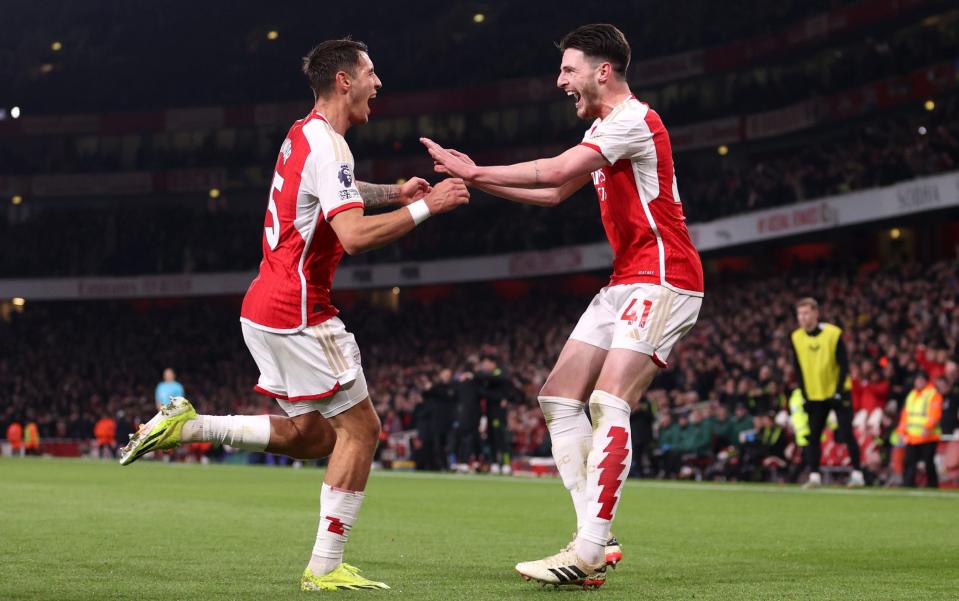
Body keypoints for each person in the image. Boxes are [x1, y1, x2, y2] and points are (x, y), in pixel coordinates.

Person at [118, 37, 469, 592]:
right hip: (298, 309)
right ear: (344, 81)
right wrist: (430, 206)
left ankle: (192, 425)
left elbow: (340, 196)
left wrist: (398, 194)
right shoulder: (331, 146)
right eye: (371, 72)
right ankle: (325, 567)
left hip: (263, 307)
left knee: (314, 437)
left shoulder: (303, 134)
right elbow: (350, 235)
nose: (379, 83)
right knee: (362, 429)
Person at [423, 23, 703, 588]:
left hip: (664, 273)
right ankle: (596, 533)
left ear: (603, 71)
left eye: (568, 69)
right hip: (626, 278)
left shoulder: (632, 120)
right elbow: (553, 193)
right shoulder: (605, 127)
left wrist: (475, 170)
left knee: (607, 399)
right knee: (557, 398)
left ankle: (591, 548)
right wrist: (475, 181)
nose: (560, 81)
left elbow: (553, 171)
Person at [790, 297, 865, 488]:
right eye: (799, 313)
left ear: (816, 313)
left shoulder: (833, 334)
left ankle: (857, 474)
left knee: (847, 432)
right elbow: (797, 367)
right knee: (813, 435)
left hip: (836, 392)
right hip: (814, 394)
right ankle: (814, 476)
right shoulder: (796, 337)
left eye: (806, 313)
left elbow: (843, 364)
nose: (802, 317)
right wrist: (804, 393)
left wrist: (839, 390)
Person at [896, 372, 943, 488]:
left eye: (921, 380)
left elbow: (935, 414)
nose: (918, 382)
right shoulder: (912, 395)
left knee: (928, 463)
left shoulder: (933, 394)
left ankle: (932, 485)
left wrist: (928, 427)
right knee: (909, 462)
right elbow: (905, 415)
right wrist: (901, 432)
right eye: (917, 380)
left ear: (926, 381)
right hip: (912, 436)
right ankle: (908, 484)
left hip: (928, 436)